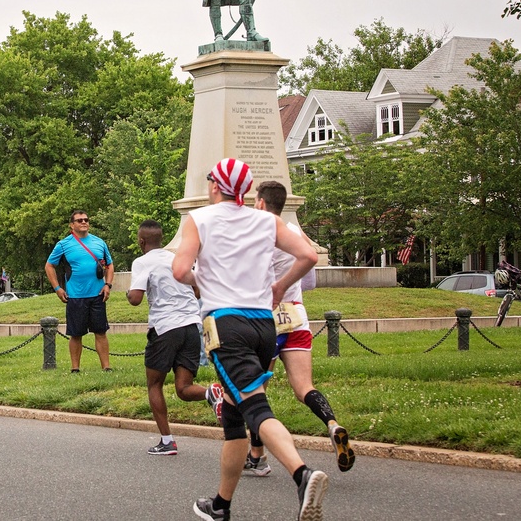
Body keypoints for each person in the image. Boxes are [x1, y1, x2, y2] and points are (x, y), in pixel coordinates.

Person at [172, 158, 327, 521]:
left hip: (226, 324)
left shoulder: (201, 219)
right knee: (233, 413)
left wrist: (198, 283)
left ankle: (303, 476)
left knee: (255, 407)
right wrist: (280, 286)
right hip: (263, 325)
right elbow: (307, 255)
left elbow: (180, 269)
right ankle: (221, 505)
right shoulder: (267, 220)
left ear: (215, 186)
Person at [238, 181, 354, 476]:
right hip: (298, 315)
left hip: (268, 318)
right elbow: (310, 281)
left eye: (255, 202)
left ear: (262, 203)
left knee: (255, 392)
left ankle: (257, 456)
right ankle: (332, 424)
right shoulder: (296, 234)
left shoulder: (260, 234)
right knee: (304, 387)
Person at [127, 219, 213, 455]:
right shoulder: (177, 259)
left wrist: (128, 292)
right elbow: (197, 289)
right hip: (191, 326)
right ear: (162, 239)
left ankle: (167, 441)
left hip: (165, 328)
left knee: (154, 384)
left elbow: (135, 299)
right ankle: (211, 393)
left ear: (141, 241)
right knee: (184, 388)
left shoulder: (142, 262)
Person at [44, 210, 114, 372]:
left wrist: (107, 285)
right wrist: (57, 288)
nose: (84, 222)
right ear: (72, 225)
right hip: (75, 296)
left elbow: (109, 265)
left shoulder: (99, 243)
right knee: (76, 334)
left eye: (86, 220)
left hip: (98, 295)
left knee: (101, 332)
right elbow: (49, 266)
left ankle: (106, 367)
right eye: (79, 220)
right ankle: (75, 368)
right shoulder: (63, 244)